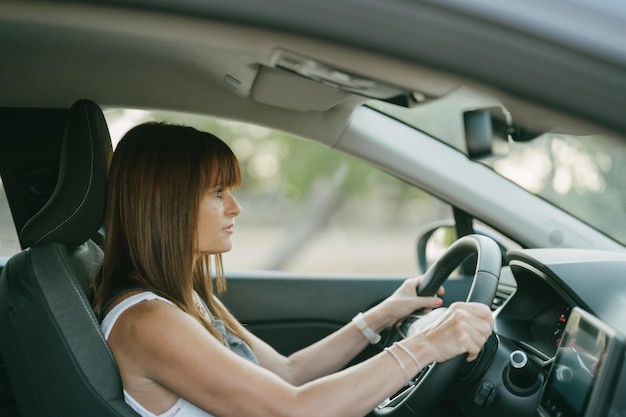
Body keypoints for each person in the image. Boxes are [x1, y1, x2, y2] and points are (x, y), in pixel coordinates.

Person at [91, 122, 494, 417]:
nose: (235, 207)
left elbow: (288, 373)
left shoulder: (183, 298)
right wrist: (426, 345)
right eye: (217, 192)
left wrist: (384, 312)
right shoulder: (147, 320)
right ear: (166, 204)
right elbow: (293, 411)